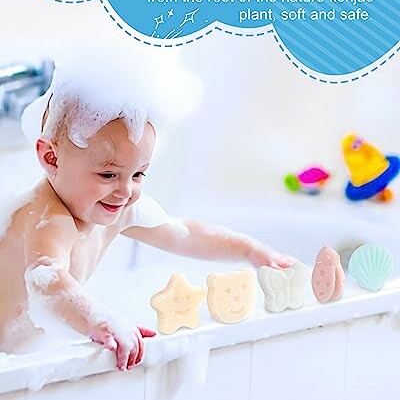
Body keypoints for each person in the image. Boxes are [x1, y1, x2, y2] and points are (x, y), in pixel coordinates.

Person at [0, 48, 295, 370]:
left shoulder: (115, 207)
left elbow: (184, 235)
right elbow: (47, 280)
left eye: (138, 174)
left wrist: (250, 250)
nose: (126, 191)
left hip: (21, 354)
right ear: (51, 158)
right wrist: (101, 320)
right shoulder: (48, 218)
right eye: (108, 174)